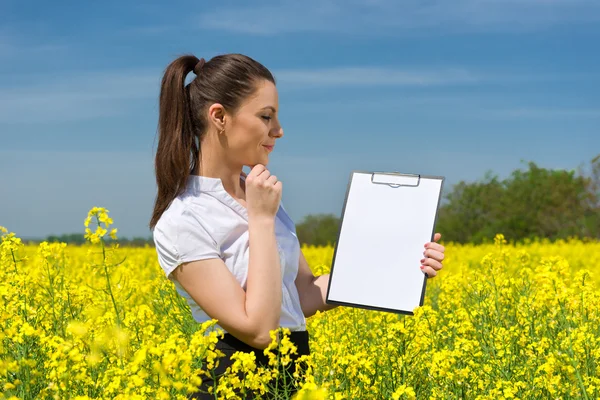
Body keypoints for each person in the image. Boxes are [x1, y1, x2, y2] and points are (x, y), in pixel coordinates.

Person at [149, 53, 446, 399]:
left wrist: (397, 265)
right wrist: (260, 219)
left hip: (291, 379)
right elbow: (257, 330)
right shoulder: (183, 219)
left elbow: (300, 293)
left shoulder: (261, 196)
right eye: (265, 117)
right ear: (219, 117)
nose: (278, 130)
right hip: (235, 385)